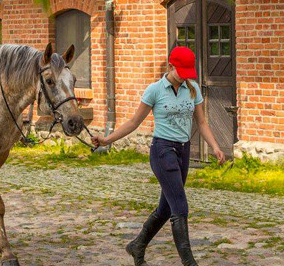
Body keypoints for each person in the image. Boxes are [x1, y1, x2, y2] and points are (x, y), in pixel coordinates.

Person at [92, 46, 224, 266]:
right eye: (181, 71)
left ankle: (137, 245)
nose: (185, 77)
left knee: (166, 208)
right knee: (180, 206)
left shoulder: (192, 90)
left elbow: (201, 123)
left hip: (183, 151)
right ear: (170, 66)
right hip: (163, 151)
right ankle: (190, 263)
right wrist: (107, 140)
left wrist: (216, 146)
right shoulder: (155, 90)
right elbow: (134, 122)